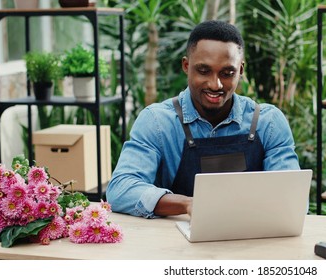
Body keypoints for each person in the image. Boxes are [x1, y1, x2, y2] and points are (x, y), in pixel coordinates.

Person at [106, 20, 300, 218]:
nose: (215, 84)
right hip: (175, 243)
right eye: (204, 71)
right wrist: (188, 204)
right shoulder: (157, 121)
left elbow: (291, 195)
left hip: (252, 238)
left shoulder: (268, 123)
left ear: (240, 70)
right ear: (186, 65)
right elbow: (121, 189)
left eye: (227, 73)